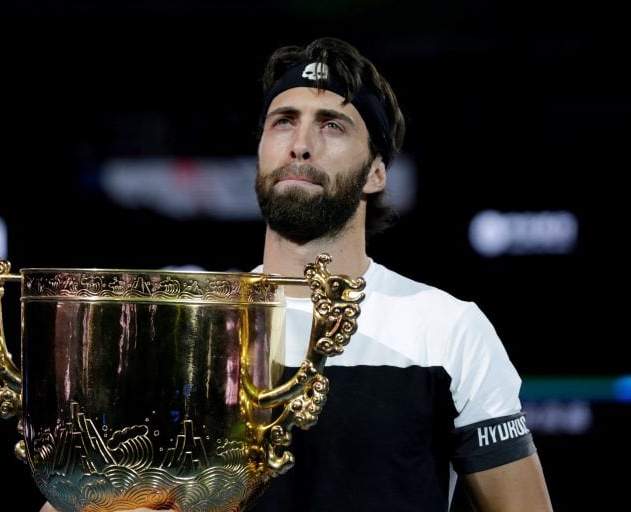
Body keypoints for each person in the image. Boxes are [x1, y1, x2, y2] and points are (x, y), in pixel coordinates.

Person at [41, 36, 552, 511]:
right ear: (261, 151)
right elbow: (81, 497)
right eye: (283, 121)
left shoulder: (448, 330)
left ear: (376, 172)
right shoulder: (184, 332)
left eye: (332, 125)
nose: (300, 144)